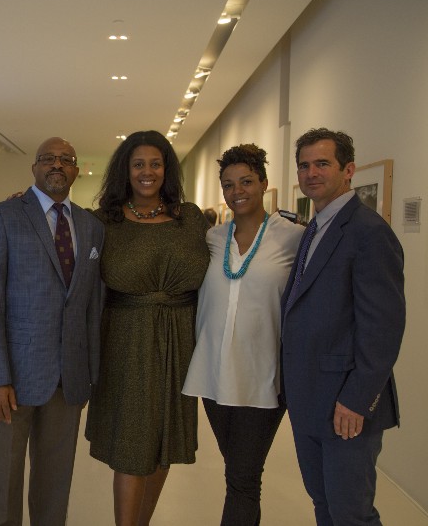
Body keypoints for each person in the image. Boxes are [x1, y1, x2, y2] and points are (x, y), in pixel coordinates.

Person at [0, 137, 104, 526]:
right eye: (48, 158)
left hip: (69, 378)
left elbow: (92, 306)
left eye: (66, 159)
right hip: (11, 378)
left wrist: (90, 374)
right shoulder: (2, 216)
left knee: (55, 482)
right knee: (2, 480)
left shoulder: (91, 226)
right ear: (34, 167)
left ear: (77, 171)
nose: (57, 165)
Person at [84, 130, 210, 526]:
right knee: (132, 442)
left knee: (162, 441)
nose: (147, 171)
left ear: (167, 169)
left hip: (179, 339)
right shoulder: (104, 221)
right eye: (138, 164)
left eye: (155, 163)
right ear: (125, 169)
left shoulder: (189, 218)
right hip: (126, 338)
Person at [281, 128, 405, 526]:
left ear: (348, 169)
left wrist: (356, 399)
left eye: (322, 164)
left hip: (346, 406)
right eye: (304, 165)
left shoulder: (369, 232)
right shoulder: (314, 229)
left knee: (352, 514)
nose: (311, 173)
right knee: (324, 505)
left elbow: (383, 328)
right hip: (309, 400)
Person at [182, 144, 303, 525]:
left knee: (242, 477)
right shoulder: (211, 239)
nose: (238, 191)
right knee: (239, 473)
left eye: (247, 182)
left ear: (264, 184)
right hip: (214, 375)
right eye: (229, 184)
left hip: (263, 376)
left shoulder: (293, 238)